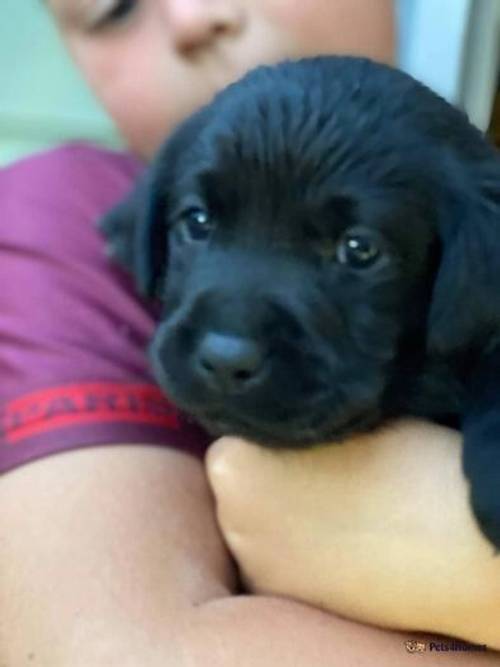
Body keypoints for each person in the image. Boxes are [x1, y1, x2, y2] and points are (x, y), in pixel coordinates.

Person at [0, 1, 498, 664]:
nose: (190, 18)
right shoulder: (62, 223)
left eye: (357, 248)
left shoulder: (456, 198)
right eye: (113, 8)